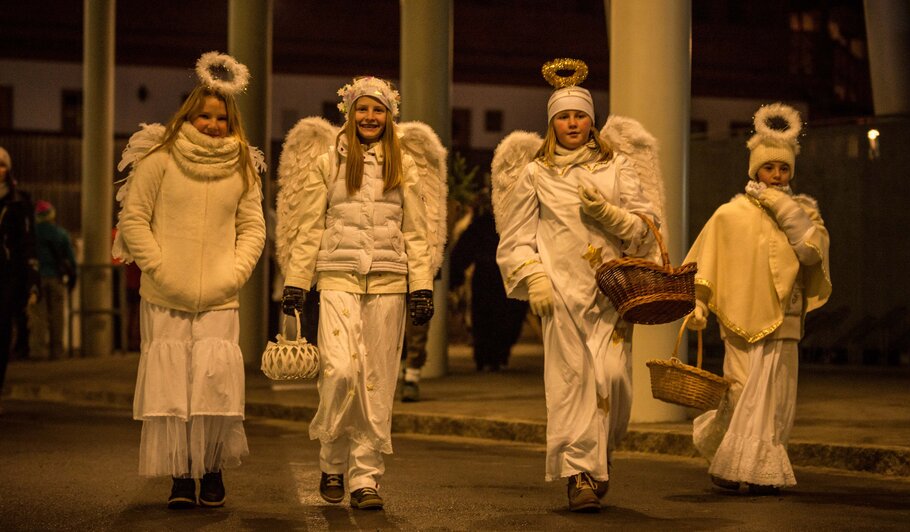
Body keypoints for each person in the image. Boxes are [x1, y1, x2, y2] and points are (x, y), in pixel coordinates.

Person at [494, 59, 660, 512]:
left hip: (612, 294)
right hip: (561, 295)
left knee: (613, 379)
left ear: (592, 120)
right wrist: (535, 277)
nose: (572, 123)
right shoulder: (536, 173)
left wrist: (610, 215)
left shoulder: (617, 167)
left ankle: (600, 456)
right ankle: (579, 475)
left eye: (580, 115)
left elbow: (647, 227)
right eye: (563, 116)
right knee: (570, 384)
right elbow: (515, 239)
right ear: (552, 123)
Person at [114, 52, 266, 509]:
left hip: (220, 296)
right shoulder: (159, 160)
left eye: (221, 117)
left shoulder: (242, 165)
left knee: (213, 383)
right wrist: (160, 267)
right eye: (205, 115)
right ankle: (181, 476)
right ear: (188, 114)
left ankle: (212, 470)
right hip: (165, 294)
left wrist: (234, 271)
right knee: (174, 385)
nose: (213, 124)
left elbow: (254, 227)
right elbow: (134, 220)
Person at [280, 76, 435, 510]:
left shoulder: (404, 163)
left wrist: (421, 286)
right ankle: (331, 460)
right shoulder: (328, 160)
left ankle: (366, 478)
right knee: (341, 372)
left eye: (378, 109)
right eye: (363, 109)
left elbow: (418, 233)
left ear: (389, 115)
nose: (370, 117)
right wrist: (296, 280)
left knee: (378, 383)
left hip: (389, 282)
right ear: (350, 112)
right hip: (336, 279)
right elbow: (308, 225)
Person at [684, 102, 831, 495]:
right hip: (740, 319)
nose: (777, 175)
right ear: (754, 169)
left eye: (783, 168)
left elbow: (811, 254)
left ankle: (763, 468)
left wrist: (785, 207)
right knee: (742, 391)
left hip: (784, 319)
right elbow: (704, 262)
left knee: (777, 396)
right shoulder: (730, 214)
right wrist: (698, 303)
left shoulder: (803, 214)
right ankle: (732, 465)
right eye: (769, 168)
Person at [449, 191, 528, 372]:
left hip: (500, 276)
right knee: (490, 318)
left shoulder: (488, 224)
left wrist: (455, 275)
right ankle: (489, 356)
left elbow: (464, 249)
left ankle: (494, 355)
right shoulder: (489, 224)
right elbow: (465, 249)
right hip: (492, 276)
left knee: (499, 318)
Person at [0, 146, 40, 414]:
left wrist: (31, 281)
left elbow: (28, 244)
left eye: (1, 165)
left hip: (7, 275)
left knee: (2, 332)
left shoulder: (19, 201)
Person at [29, 200, 76, 360]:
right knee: (57, 316)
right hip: (56, 278)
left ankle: (37, 352)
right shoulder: (60, 234)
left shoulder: (31, 233)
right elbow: (70, 258)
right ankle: (57, 352)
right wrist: (72, 277)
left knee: (38, 316)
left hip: (36, 281)